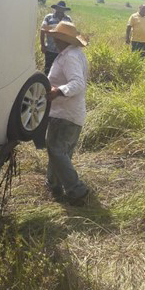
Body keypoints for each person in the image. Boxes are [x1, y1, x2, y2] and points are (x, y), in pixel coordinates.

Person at [45, 20, 90, 206]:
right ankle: (53, 184)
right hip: (68, 113)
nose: (54, 40)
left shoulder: (70, 56)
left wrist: (57, 91)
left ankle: (76, 190)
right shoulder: (70, 54)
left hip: (66, 114)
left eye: (56, 36)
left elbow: (78, 83)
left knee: (55, 149)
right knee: (60, 151)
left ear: (63, 39)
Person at [39, 1, 72, 73]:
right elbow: (42, 30)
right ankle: (47, 84)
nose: (60, 11)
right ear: (56, 8)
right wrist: (42, 45)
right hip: (50, 49)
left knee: (60, 71)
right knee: (48, 69)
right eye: (59, 9)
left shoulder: (68, 19)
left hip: (62, 51)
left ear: (64, 10)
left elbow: (71, 33)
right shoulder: (48, 17)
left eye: (62, 9)